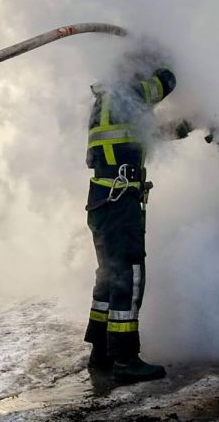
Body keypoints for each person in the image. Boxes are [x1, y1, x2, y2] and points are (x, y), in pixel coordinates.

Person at [83, 63, 184, 383]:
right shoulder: (126, 92)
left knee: (110, 276)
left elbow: (144, 135)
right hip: (119, 200)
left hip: (104, 199)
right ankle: (125, 357)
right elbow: (166, 82)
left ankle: (101, 351)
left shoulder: (105, 103)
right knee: (130, 275)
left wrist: (186, 127)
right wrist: (167, 64)